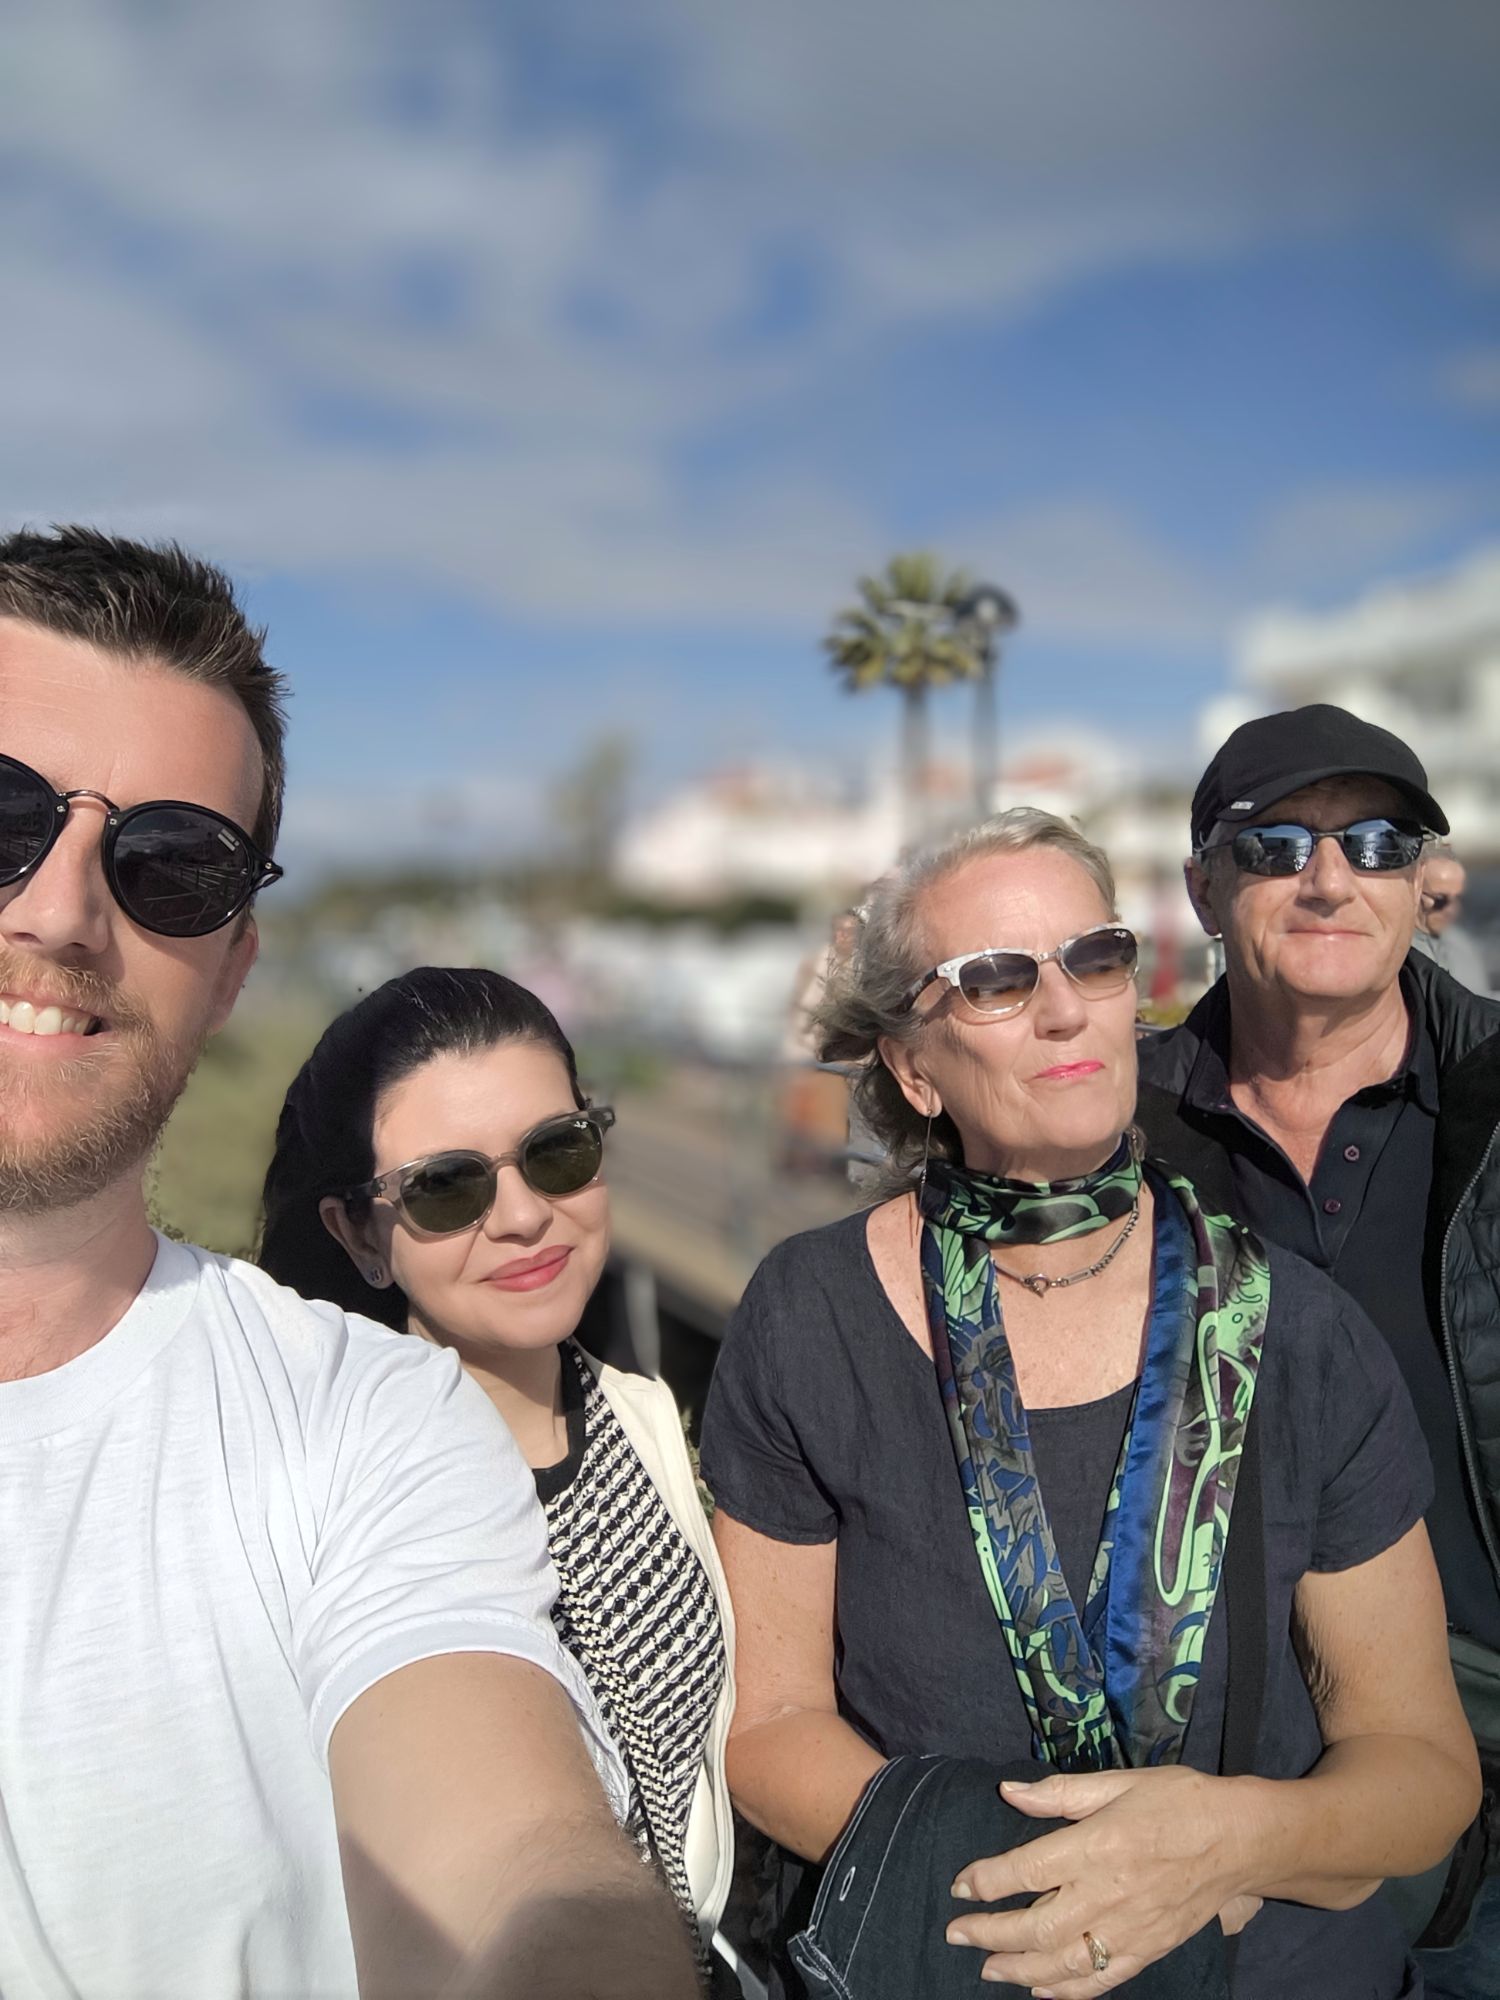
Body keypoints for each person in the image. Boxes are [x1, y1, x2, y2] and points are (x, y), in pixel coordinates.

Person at [0, 526, 696, 2000]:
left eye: (170, 865)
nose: (60, 909)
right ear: (357, 1230)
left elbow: (520, 1866)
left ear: (234, 965)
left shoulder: (376, 1427)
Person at [700, 807, 1478, 2000]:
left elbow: (1421, 1765)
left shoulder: (1296, 1328)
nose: (1064, 1007)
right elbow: (769, 1726)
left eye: (1096, 956)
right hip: (956, 1961)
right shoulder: (812, 1317)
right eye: (996, 979)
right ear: (913, 1067)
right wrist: (1039, 1883)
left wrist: (1227, 1839)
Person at [259, 967, 737, 1986]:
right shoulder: (336, 1500)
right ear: (358, 1232)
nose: (523, 1215)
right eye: (447, 1185)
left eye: (557, 1152)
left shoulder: (643, 1419)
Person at [1136, 705, 1500, 1993]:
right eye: (1277, 843)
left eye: (1378, 842)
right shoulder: (1116, 1133)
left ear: (1421, 883)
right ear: (1204, 886)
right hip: (1244, 1756)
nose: (1331, 879)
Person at [1412, 849, 1494, 997]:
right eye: (1440, 900)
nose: (1451, 909)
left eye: (1458, 899)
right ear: (1415, 891)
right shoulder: (1399, 954)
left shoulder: (1461, 945)